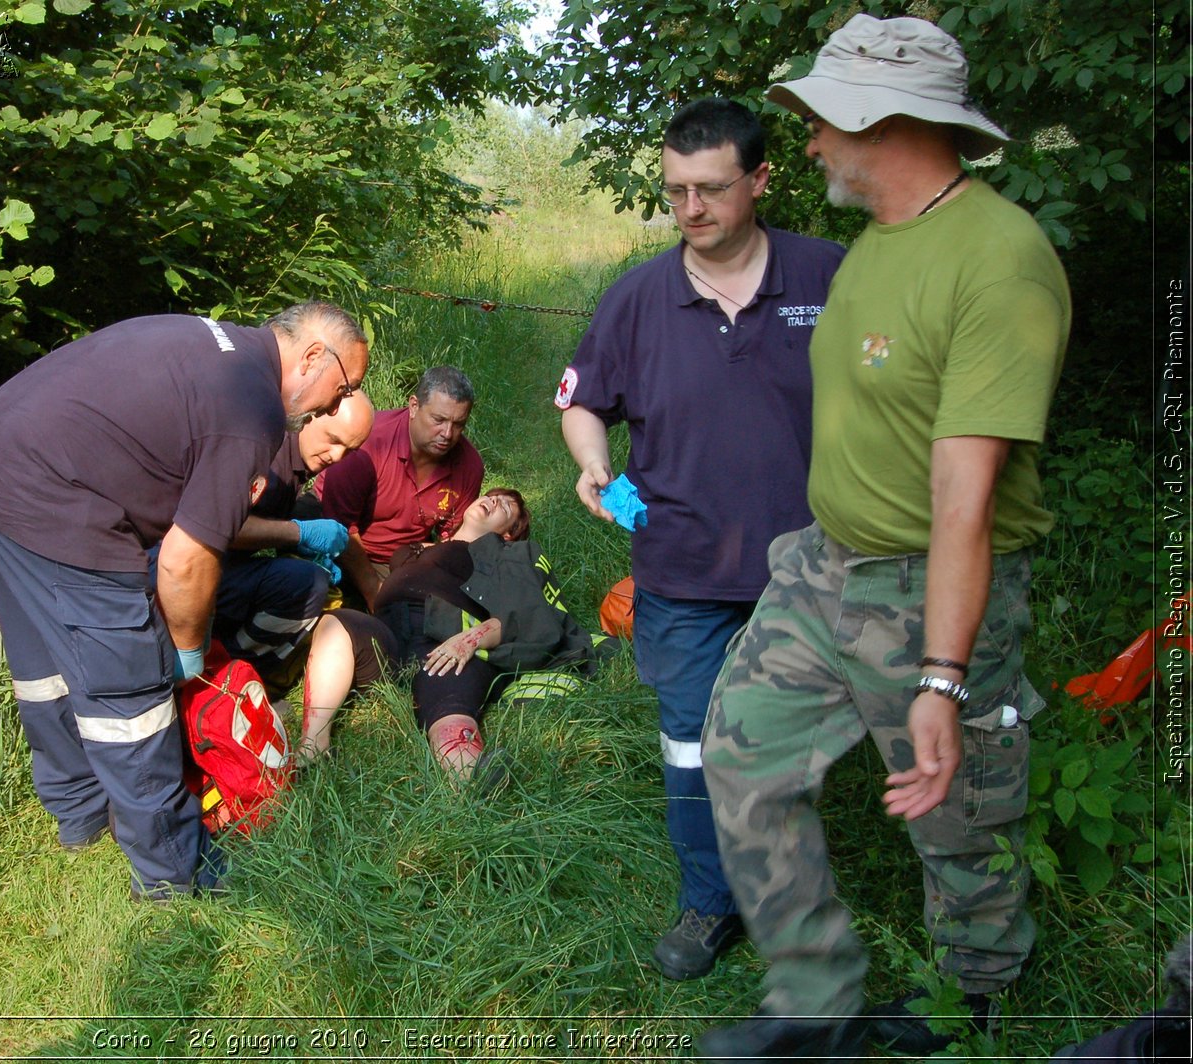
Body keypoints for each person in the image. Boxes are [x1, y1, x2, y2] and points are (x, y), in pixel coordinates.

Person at [695, 15, 1070, 1061]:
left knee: (955, 814)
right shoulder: (879, 244)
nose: (806, 142)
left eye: (818, 118)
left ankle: (976, 999)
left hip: (935, 586)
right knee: (741, 746)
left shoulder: (1001, 263)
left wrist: (943, 677)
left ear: (880, 117)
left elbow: (964, 501)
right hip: (822, 564)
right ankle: (816, 1001)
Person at [557, 98, 845, 981]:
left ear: (760, 181)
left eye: (711, 189)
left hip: (810, 570)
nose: (690, 209)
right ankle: (710, 903)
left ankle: (795, 901)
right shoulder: (639, 298)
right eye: (675, 191)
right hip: (681, 570)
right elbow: (581, 402)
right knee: (690, 740)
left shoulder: (831, 276)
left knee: (789, 745)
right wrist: (594, 466)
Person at [0, 303, 368, 897]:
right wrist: (188, 651)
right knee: (131, 691)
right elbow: (185, 558)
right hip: (56, 499)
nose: (330, 405)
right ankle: (176, 872)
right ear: (313, 357)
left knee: (45, 657)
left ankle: (80, 811)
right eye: (343, 387)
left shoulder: (214, 342)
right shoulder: (252, 409)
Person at [296, 489, 607, 783]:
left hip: (442, 640)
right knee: (336, 624)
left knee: (448, 701)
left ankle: (471, 775)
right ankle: (313, 746)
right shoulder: (418, 550)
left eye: (506, 507)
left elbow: (521, 615)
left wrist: (470, 640)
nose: (493, 501)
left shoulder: (503, 554)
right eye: (492, 496)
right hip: (387, 634)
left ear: (509, 533)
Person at [210, 392, 375, 689]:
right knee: (304, 583)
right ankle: (223, 674)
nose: (336, 456)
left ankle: (237, 670)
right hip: (185, 570)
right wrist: (299, 533)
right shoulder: (269, 456)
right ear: (312, 414)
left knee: (308, 582)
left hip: (222, 571)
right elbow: (216, 524)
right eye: (333, 440)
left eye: (349, 450)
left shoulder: (296, 465)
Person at [316, 365, 484, 606]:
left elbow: (452, 539)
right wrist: (374, 590)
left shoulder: (469, 466)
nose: (447, 433)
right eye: (439, 420)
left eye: (459, 424)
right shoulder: (369, 443)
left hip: (399, 560)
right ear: (414, 406)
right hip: (335, 536)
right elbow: (340, 525)